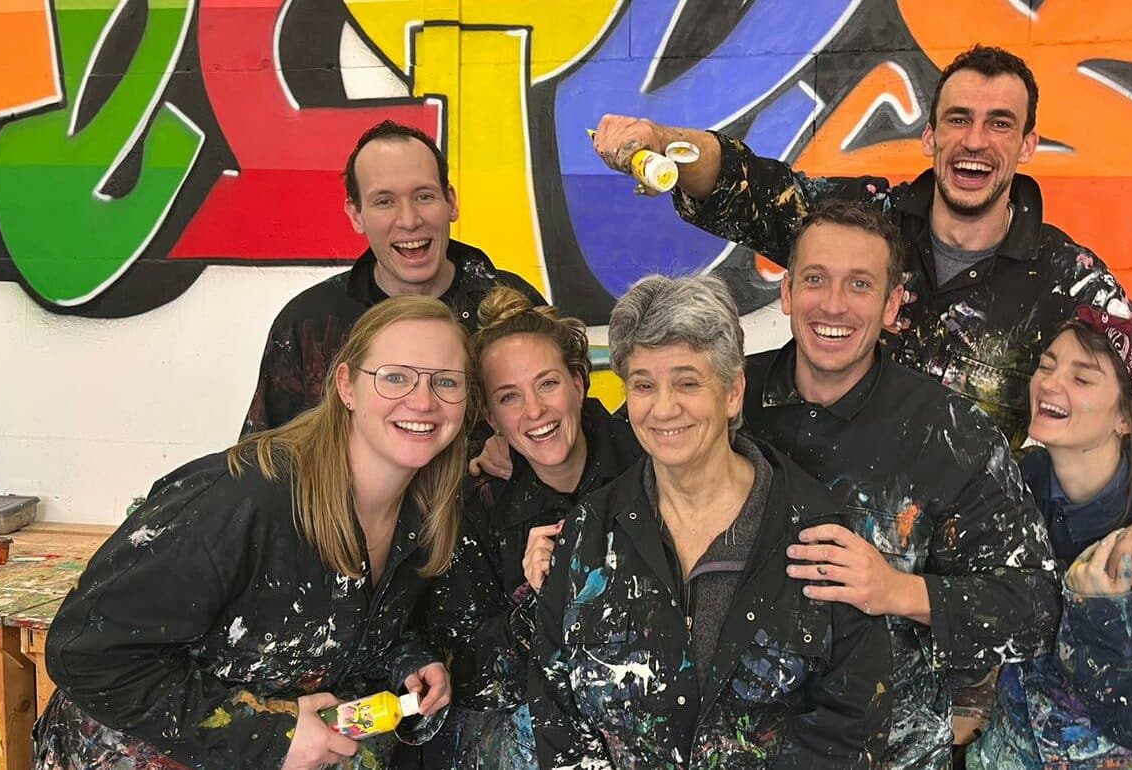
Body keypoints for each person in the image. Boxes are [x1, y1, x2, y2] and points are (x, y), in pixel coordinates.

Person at [590, 45, 1132, 617]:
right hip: (814, 563)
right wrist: (661, 139)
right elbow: (747, 186)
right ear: (930, 135)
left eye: (1000, 123)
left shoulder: (1065, 279)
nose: (975, 140)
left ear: (1028, 144)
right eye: (958, 119)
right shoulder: (866, 222)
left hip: (957, 587)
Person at [35, 296, 473, 770]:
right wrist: (269, 735)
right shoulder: (243, 497)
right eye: (395, 377)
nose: (423, 401)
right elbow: (84, 653)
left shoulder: (424, 514)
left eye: (446, 381)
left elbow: (337, 635)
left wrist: (407, 662)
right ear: (347, 386)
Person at [714, 199, 1056, 769]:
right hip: (731, 751)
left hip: (886, 753)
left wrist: (898, 591)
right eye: (815, 279)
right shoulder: (722, 400)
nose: (833, 304)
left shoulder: (951, 434)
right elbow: (619, 484)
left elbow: (1035, 609)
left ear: (893, 303)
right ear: (787, 293)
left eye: (860, 284)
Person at [530, 274, 893, 769]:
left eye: (687, 382)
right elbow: (557, 712)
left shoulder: (816, 534)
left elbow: (851, 724)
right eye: (643, 385)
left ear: (733, 392)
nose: (663, 408)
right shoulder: (588, 534)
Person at [969, 309, 1132, 769]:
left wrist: (1099, 620)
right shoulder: (1011, 495)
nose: (1050, 384)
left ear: (1127, 417)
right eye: (1047, 366)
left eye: (1082, 379)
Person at [422, 287, 642, 769]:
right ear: (490, 416)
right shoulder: (477, 510)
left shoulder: (649, 461)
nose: (535, 411)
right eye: (510, 397)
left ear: (579, 383)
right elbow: (464, 676)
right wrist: (541, 605)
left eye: (547, 384)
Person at [242, 119, 544, 435]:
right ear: (356, 215)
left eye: (424, 196)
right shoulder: (308, 323)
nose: (409, 220)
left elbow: (564, 430)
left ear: (451, 202)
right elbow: (261, 456)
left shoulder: (516, 307)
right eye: (384, 201)